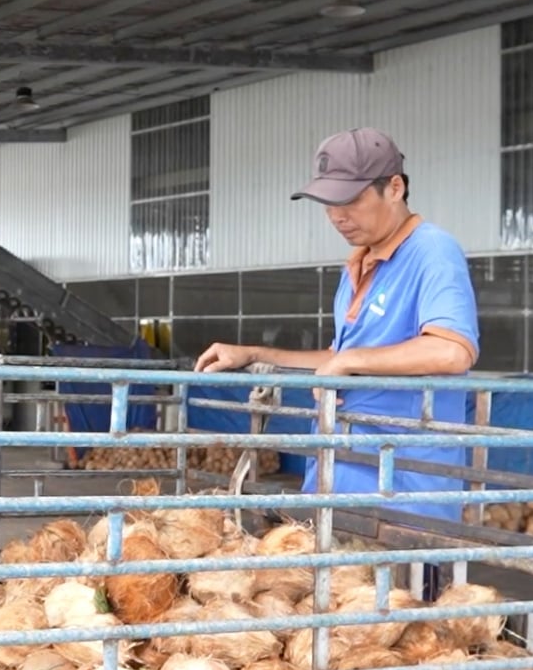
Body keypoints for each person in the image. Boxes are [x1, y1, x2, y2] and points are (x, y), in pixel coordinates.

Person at [194, 126, 480, 530]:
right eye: (328, 203)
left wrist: (351, 360)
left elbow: (452, 351)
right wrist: (255, 354)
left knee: (402, 594)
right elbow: (339, 359)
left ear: (394, 188)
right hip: (339, 472)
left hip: (403, 490)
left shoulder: (432, 251)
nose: (336, 216)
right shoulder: (357, 266)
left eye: (350, 200)